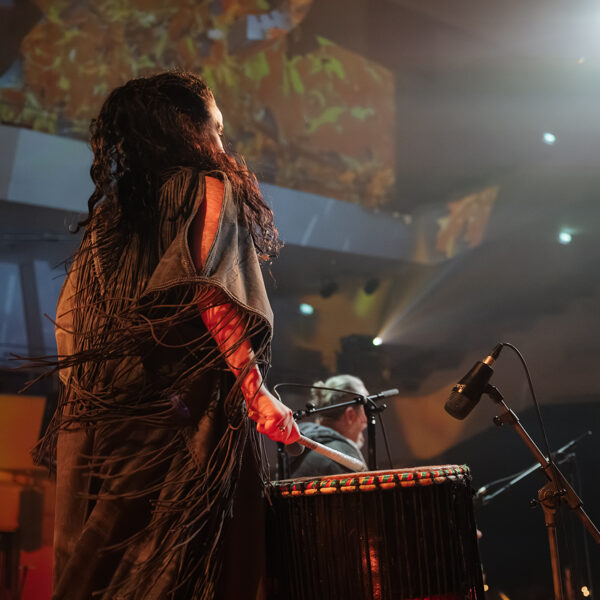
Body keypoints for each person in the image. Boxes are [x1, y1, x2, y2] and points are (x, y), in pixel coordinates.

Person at [34, 71, 300, 600]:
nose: (221, 142)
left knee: (103, 569)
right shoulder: (208, 186)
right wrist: (257, 394)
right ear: (188, 128)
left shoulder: (109, 221)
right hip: (179, 419)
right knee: (179, 569)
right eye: (216, 128)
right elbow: (212, 292)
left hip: (107, 424)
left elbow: (73, 320)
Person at [289, 374, 368, 477]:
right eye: (365, 410)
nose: (366, 420)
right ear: (350, 415)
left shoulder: (303, 445)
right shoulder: (342, 459)